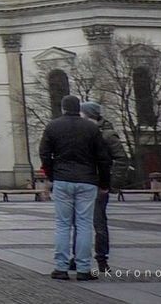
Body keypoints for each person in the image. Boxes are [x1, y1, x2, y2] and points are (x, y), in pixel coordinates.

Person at [40, 94, 111, 282]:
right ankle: (83, 269)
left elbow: (44, 154)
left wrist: (51, 175)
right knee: (84, 224)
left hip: (62, 179)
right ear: (78, 108)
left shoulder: (52, 126)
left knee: (63, 225)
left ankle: (61, 268)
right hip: (87, 180)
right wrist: (104, 183)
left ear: (63, 108)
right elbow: (103, 158)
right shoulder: (91, 128)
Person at [81, 101, 130, 274]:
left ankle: (102, 258)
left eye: (82, 114)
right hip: (83, 183)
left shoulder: (108, 134)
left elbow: (122, 159)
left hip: (99, 185)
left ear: (88, 115)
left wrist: (112, 184)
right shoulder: (84, 132)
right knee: (80, 223)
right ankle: (78, 257)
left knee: (98, 223)